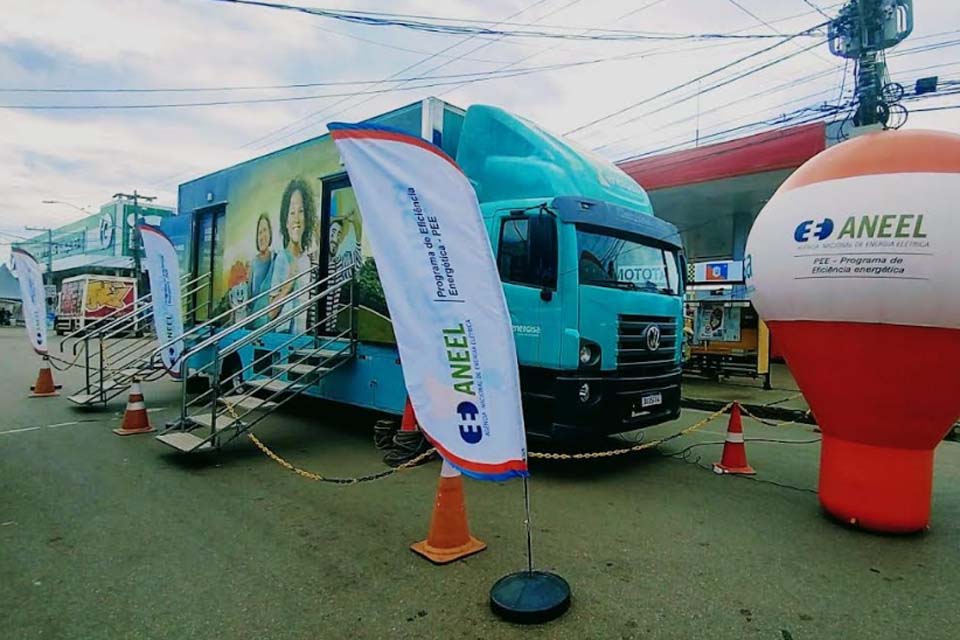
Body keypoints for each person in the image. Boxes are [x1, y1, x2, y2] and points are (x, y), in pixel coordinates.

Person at [269, 179, 316, 333]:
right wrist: (288, 285)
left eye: (301, 211)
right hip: (283, 340)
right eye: (292, 212)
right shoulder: (281, 259)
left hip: (302, 338)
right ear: (286, 220)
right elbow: (271, 313)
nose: (296, 219)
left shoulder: (307, 261)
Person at [247, 213, 276, 326]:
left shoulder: (276, 259)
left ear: (270, 233)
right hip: (254, 321)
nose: (262, 236)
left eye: (265, 230)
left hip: (270, 321)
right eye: (259, 232)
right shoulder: (253, 263)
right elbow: (249, 296)